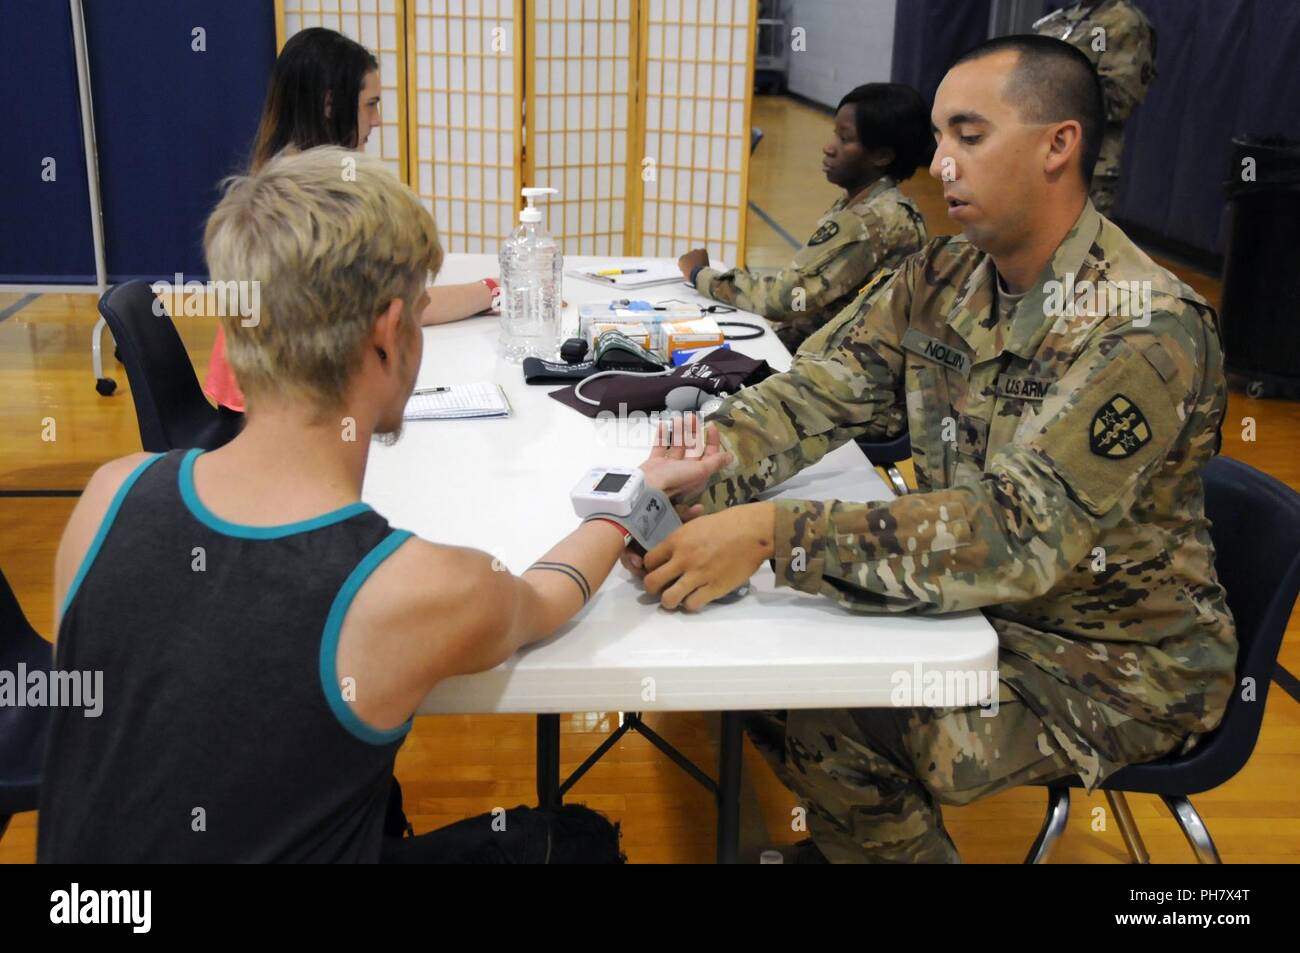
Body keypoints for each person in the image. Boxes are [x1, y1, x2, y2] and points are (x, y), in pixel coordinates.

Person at [630, 35, 1233, 862]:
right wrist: (707, 466)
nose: (941, 163)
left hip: (1113, 663)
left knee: (835, 713)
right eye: (941, 139)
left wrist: (776, 535)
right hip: (991, 605)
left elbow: (1017, 534)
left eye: (970, 136)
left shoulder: (1144, 326)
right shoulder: (944, 272)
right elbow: (819, 387)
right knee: (760, 678)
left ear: (1059, 145)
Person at [40, 147, 730, 863]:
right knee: (576, 843)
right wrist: (632, 499)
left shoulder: (107, 497)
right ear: (387, 332)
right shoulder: (415, 588)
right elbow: (546, 597)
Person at [204, 27, 498, 414]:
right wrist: (493, 290)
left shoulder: (281, 174)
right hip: (270, 407)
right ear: (330, 104)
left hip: (252, 392)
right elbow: (401, 307)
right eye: (370, 104)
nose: (377, 121)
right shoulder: (316, 201)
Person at [678, 83, 932, 352]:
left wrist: (700, 275)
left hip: (835, 368)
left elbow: (784, 299)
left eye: (845, 139)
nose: (828, 148)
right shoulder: (881, 205)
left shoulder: (867, 222)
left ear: (881, 156)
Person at [1032, 0, 1157, 215]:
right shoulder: (1063, 16)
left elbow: (1119, 101)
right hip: (1039, 152)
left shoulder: (1124, 22)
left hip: (1086, 163)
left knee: (1077, 243)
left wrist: (1050, 95)